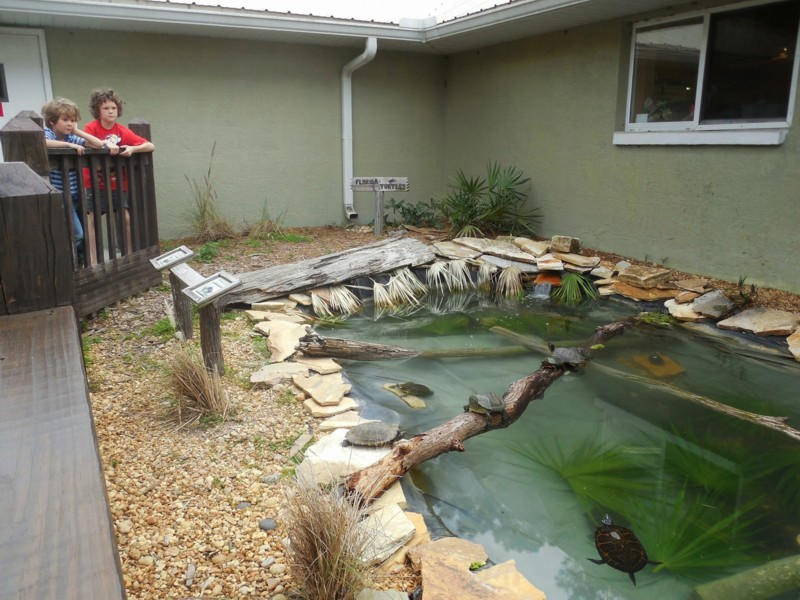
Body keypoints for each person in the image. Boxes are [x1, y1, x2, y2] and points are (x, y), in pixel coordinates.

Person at [83, 88, 155, 263]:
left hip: (118, 183)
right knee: (92, 219)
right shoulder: (91, 127)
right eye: (106, 108)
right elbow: (85, 142)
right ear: (97, 110)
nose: (111, 112)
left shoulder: (121, 131)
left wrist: (133, 148)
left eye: (114, 108)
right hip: (94, 182)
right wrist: (104, 144)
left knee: (125, 217)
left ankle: (129, 255)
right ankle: (93, 260)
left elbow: (150, 146)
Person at [42, 97, 111, 264]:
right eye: (65, 120)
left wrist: (77, 132)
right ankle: (74, 263)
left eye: (73, 120)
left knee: (82, 232)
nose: (70, 124)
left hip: (76, 195)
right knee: (77, 233)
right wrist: (68, 146)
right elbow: (43, 142)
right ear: (52, 121)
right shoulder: (50, 134)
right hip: (60, 195)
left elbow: (98, 144)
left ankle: (79, 262)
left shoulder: (71, 137)